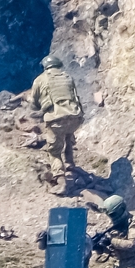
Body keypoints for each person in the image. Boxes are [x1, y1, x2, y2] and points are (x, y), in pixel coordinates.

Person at [29, 55, 84, 192]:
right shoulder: (67, 77)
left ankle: (61, 181)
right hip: (75, 117)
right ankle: (70, 164)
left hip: (55, 120)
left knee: (54, 151)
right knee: (68, 136)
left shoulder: (40, 80)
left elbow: (33, 103)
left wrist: (41, 107)